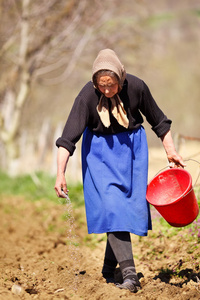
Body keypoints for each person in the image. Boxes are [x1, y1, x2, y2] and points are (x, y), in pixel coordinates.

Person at [54, 49, 185, 293]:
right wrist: (60, 173)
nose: (105, 90)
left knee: (124, 211)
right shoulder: (86, 97)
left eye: (111, 85)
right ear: (94, 82)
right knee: (113, 208)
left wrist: (171, 151)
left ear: (121, 79)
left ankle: (107, 269)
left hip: (132, 152)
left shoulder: (136, 87)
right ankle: (130, 276)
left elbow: (159, 121)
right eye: (101, 85)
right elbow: (67, 138)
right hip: (99, 155)